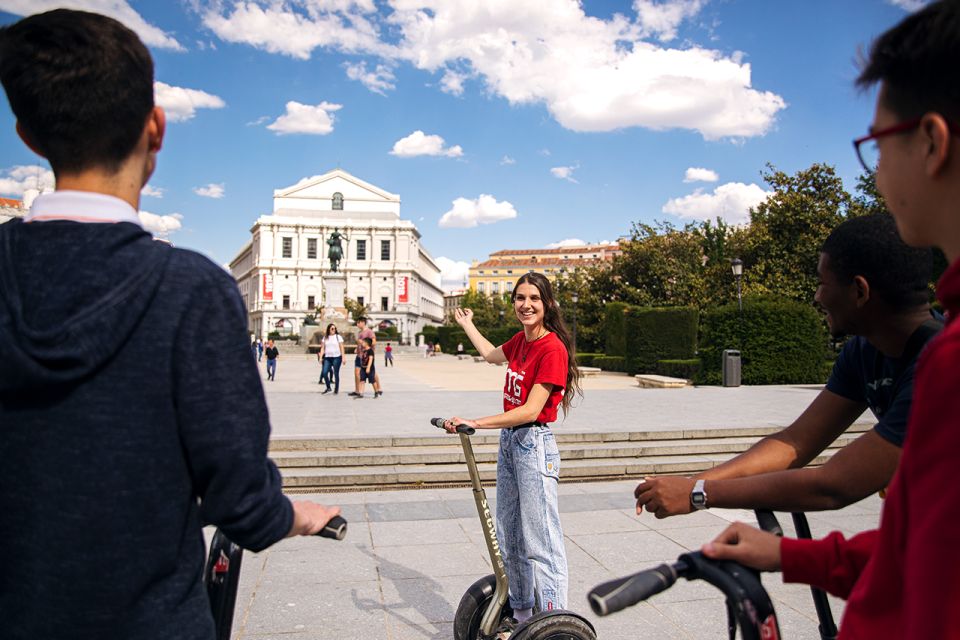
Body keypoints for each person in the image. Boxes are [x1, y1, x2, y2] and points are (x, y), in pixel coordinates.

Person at [0, 10, 338, 640]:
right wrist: (295, 516)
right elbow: (239, 498)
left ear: (27, 135)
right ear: (155, 128)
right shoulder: (189, 290)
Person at [702, 4, 960, 637]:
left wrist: (703, 492)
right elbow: (920, 554)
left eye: (876, 145)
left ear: (931, 142)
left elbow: (835, 486)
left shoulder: (947, 359)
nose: (874, 171)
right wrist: (790, 554)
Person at [635, 213, 937, 518]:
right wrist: (693, 484)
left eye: (822, 283)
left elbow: (834, 485)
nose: (817, 297)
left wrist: (699, 494)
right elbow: (796, 442)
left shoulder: (943, 368)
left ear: (860, 291)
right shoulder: (864, 351)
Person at [446, 272, 582, 629]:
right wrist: (467, 324)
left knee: (541, 541)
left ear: (547, 303)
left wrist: (476, 422)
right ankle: (522, 615)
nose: (526, 305)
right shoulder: (520, 342)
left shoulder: (552, 348)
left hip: (533, 444)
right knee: (511, 536)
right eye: (520, 298)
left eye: (534, 298)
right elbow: (491, 355)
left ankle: (553, 623)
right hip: (510, 443)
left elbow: (531, 411)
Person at [350, 317, 377, 396]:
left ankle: (376, 390)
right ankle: (357, 390)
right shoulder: (360, 332)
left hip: (366, 357)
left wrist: (363, 343)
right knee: (356, 373)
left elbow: (374, 342)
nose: (357, 324)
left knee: (369, 375)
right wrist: (357, 348)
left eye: (358, 323)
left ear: (363, 322)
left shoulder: (369, 332)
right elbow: (359, 343)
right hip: (359, 355)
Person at [318, 323, 344, 394]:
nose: (334, 330)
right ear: (329, 329)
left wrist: (343, 358)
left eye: (335, 328)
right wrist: (320, 358)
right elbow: (322, 348)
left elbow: (342, 347)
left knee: (336, 373)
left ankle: (336, 389)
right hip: (327, 358)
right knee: (325, 372)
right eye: (332, 328)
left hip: (337, 357)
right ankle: (328, 387)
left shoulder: (338, 337)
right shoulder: (325, 337)